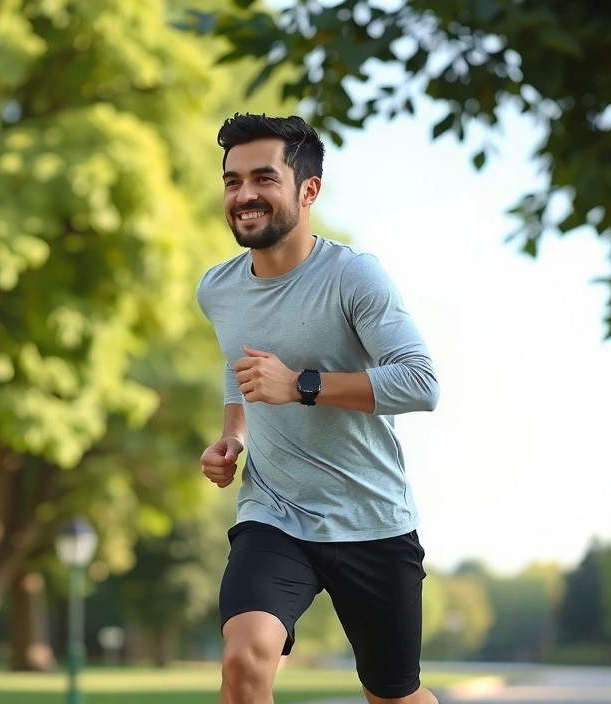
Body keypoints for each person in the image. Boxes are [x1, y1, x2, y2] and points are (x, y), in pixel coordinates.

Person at [196, 113, 441, 704]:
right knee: (244, 660)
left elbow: (421, 382)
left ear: (309, 189)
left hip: (371, 518)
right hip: (275, 513)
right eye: (233, 181)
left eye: (263, 178)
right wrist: (233, 436)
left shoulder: (354, 276)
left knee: (393, 697)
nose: (244, 195)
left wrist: (301, 385)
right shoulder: (218, 289)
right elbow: (240, 367)